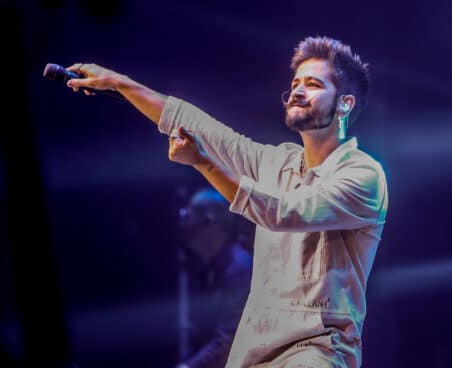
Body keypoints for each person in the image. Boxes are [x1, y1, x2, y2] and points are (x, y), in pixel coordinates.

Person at [63, 36, 388, 367]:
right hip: (253, 349)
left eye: (314, 84)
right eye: (295, 84)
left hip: (316, 350)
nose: (298, 92)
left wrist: (202, 162)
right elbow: (196, 125)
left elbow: (284, 212)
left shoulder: (364, 174)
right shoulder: (276, 162)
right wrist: (121, 84)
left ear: (345, 104)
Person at [176, 187, 253, 368]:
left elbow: (229, 341)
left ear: (207, 221)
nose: (181, 221)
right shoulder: (211, 269)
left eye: (187, 214)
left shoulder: (238, 269)